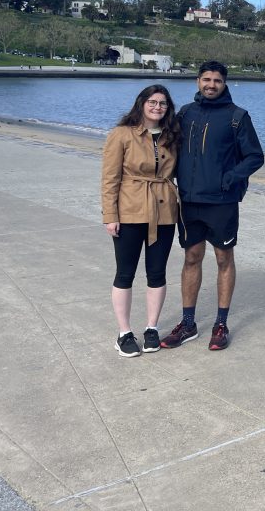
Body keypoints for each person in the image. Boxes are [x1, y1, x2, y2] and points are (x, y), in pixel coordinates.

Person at [161, 61, 264, 351]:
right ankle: (188, 323)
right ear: (197, 81)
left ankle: (220, 324)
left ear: (224, 83)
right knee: (191, 258)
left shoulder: (237, 117)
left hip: (222, 201)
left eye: (217, 80)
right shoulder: (185, 114)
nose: (211, 85)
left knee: (223, 259)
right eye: (206, 79)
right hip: (189, 201)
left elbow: (255, 157)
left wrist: (229, 178)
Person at [101, 85, 181, 357]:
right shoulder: (122, 134)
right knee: (125, 273)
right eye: (153, 102)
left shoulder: (172, 136)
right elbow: (110, 179)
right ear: (142, 103)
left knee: (157, 272)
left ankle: (152, 328)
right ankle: (124, 333)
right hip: (130, 210)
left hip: (164, 211)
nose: (158, 107)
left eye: (163, 103)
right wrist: (110, 216)